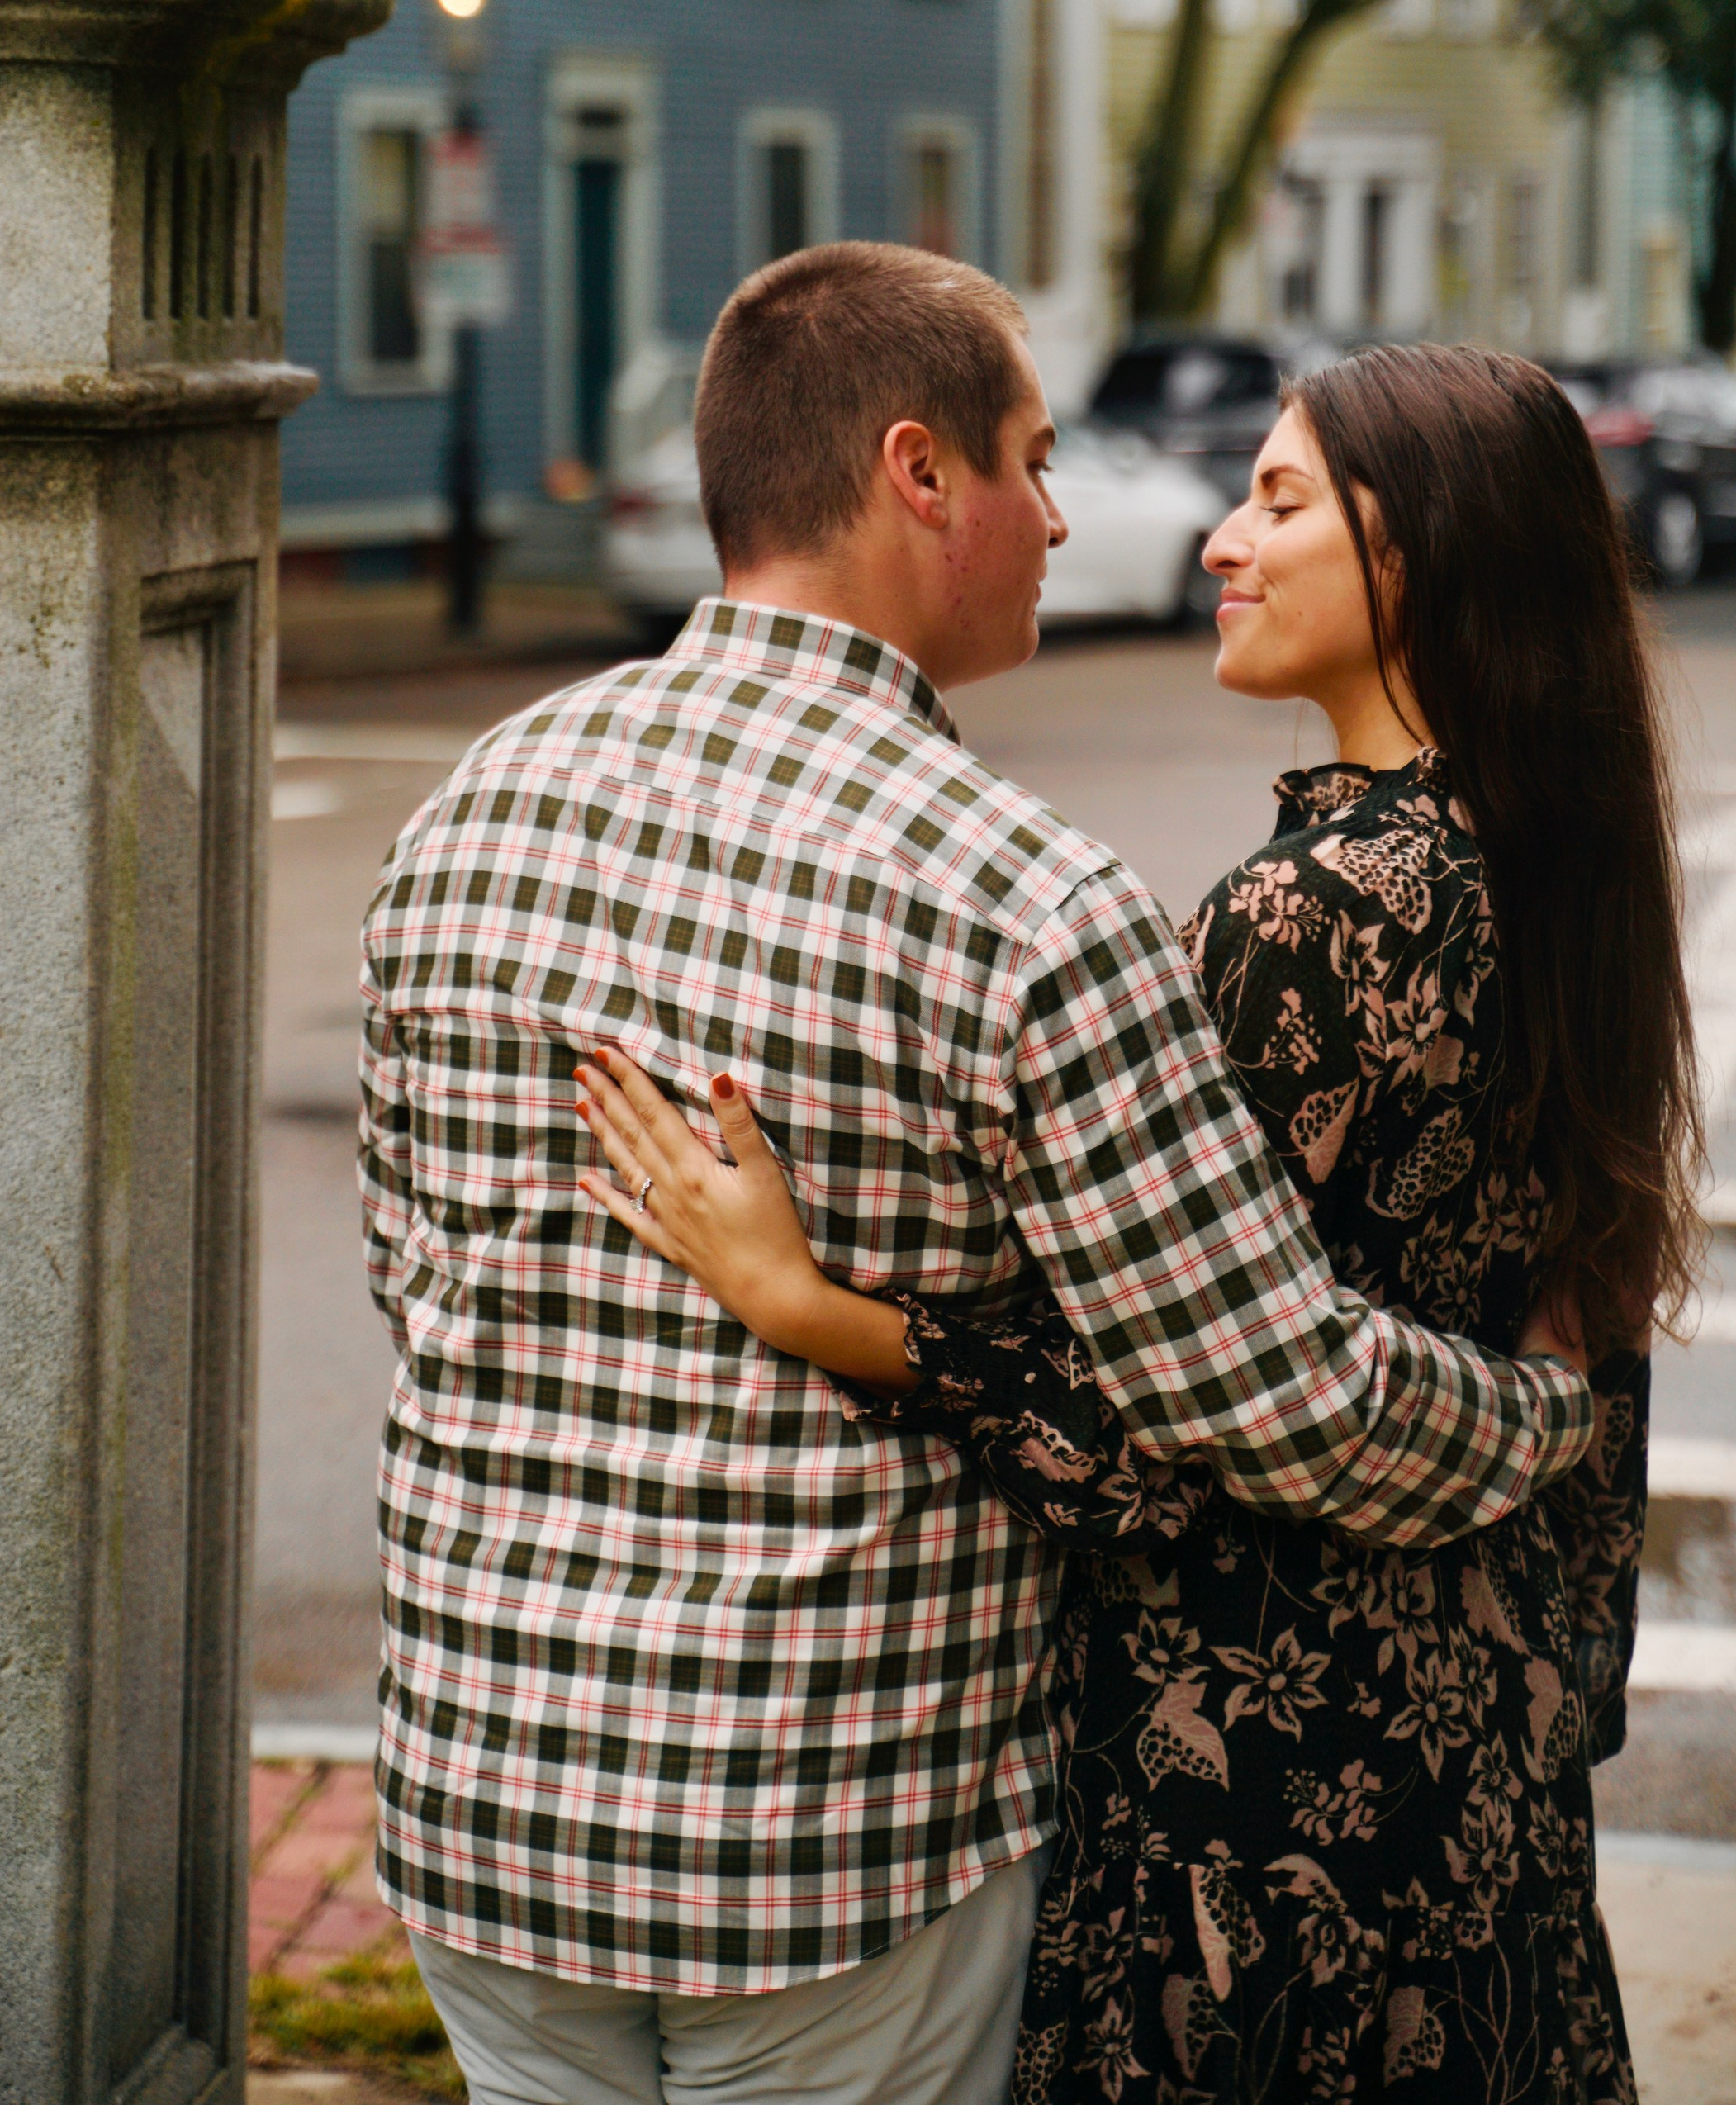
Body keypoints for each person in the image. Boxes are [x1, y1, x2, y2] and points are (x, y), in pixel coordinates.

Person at [359, 249, 1596, 2105]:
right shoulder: (1018, 897)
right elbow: (1269, 1401)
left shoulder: (471, 802)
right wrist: (1535, 1413)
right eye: (1029, 457)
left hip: (487, 1800)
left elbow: (414, 1265)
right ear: (917, 474)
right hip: (827, 1834)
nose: (1064, 512)